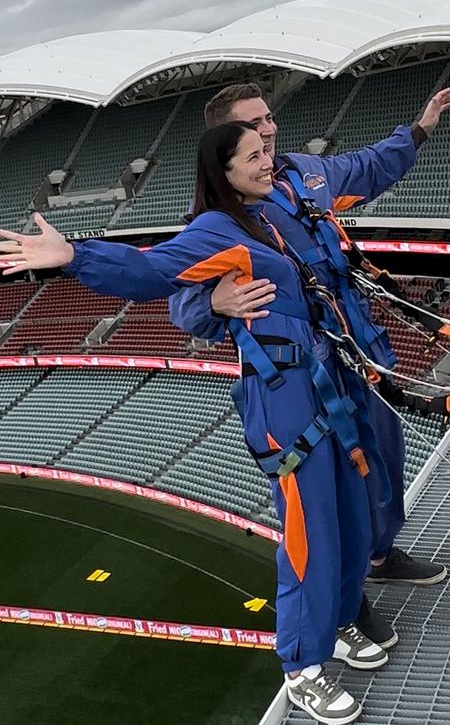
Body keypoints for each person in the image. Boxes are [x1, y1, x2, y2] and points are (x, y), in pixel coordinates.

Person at [0, 121, 394, 725]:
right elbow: (151, 271)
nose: (270, 162)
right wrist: (75, 256)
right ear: (225, 172)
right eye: (255, 156)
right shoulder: (218, 229)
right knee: (308, 532)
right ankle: (302, 668)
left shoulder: (276, 212)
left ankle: (337, 625)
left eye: (267, 152)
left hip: (328, 385)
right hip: (286, 400)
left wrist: (412, 134)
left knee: (344, 515)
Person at [168, 83, 450, 635]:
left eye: (269, 119)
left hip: (363, 344)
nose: (268, 130)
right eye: (253, 126)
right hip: (313, 369)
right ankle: (346, 602)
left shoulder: (304, 171)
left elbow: (367, 167)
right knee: (343, 481)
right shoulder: (217, 215)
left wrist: (419, 129)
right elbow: (184, 305)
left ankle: (380, 555)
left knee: (386, 452)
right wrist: (214, 300)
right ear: (224, 142)